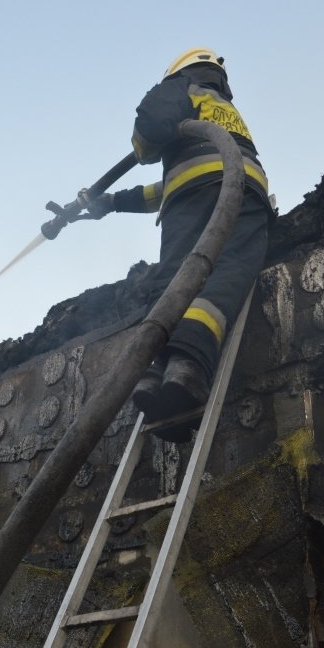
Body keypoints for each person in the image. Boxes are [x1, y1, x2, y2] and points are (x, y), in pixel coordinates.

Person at [88, 47, 275, 440]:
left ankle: (169, 366)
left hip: (196, 198)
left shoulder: (183, 86)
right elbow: (173, 182)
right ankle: (169, 376)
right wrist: (112, 202)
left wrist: (143, 147)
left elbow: (152, 125)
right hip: (245, 191)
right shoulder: (221, 108)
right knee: (225, 274)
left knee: (176, 282)